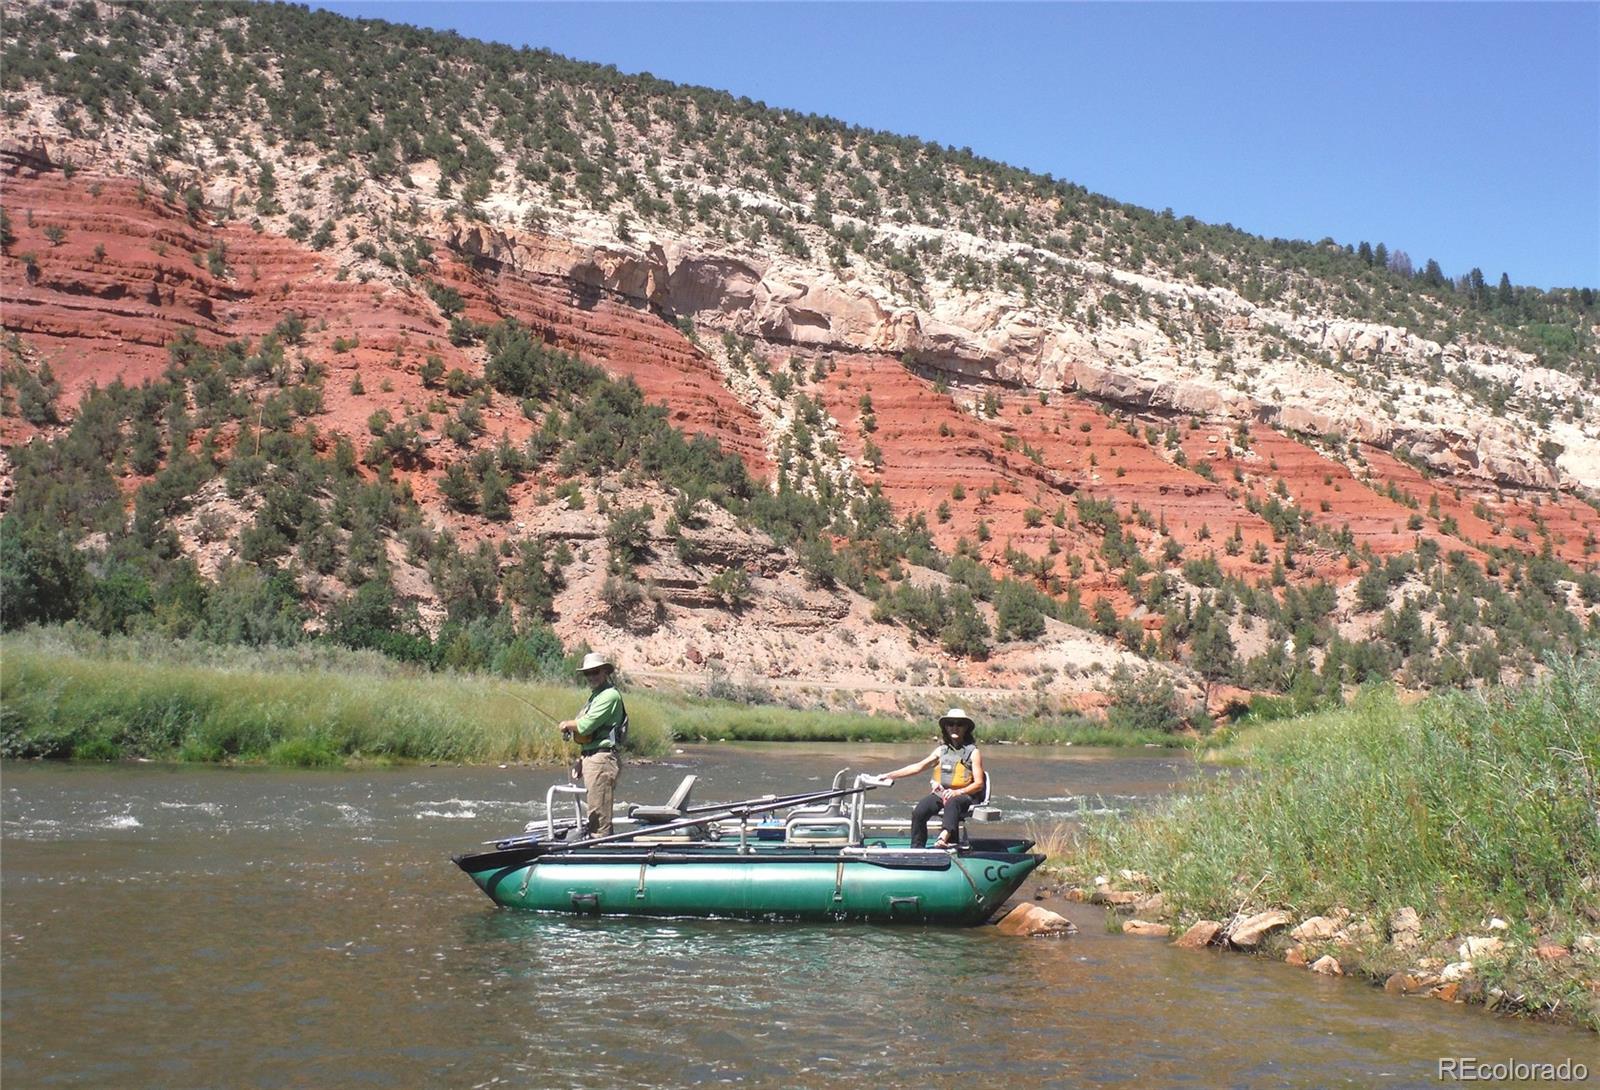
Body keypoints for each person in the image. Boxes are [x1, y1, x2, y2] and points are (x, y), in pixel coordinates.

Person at [877, 708, 986, 849]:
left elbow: (979, 784)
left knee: (952, 803)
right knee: (919, 811)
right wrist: (888, 775)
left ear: (966, 728)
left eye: (959, 724)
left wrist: (957, 792)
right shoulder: (941, 751)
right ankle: (917, 848)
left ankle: (944, 839)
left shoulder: (973, 753)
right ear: (945, 727)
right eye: (950, 724)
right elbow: (917, 767)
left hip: (965, 796)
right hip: (942, 793)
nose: (954, 727)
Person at [558, 652, 628, 837]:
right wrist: (581, 759)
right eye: (587, 673)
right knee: (596, 812)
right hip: (593, 758)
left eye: (595, 672)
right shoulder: (595, 696)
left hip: (602, 760)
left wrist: (567, 724)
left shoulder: (609, 696)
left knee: (599, 815)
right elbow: (588, 734)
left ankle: (601, 850)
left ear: (605, 671)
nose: (591, 677)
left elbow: (586, 725)